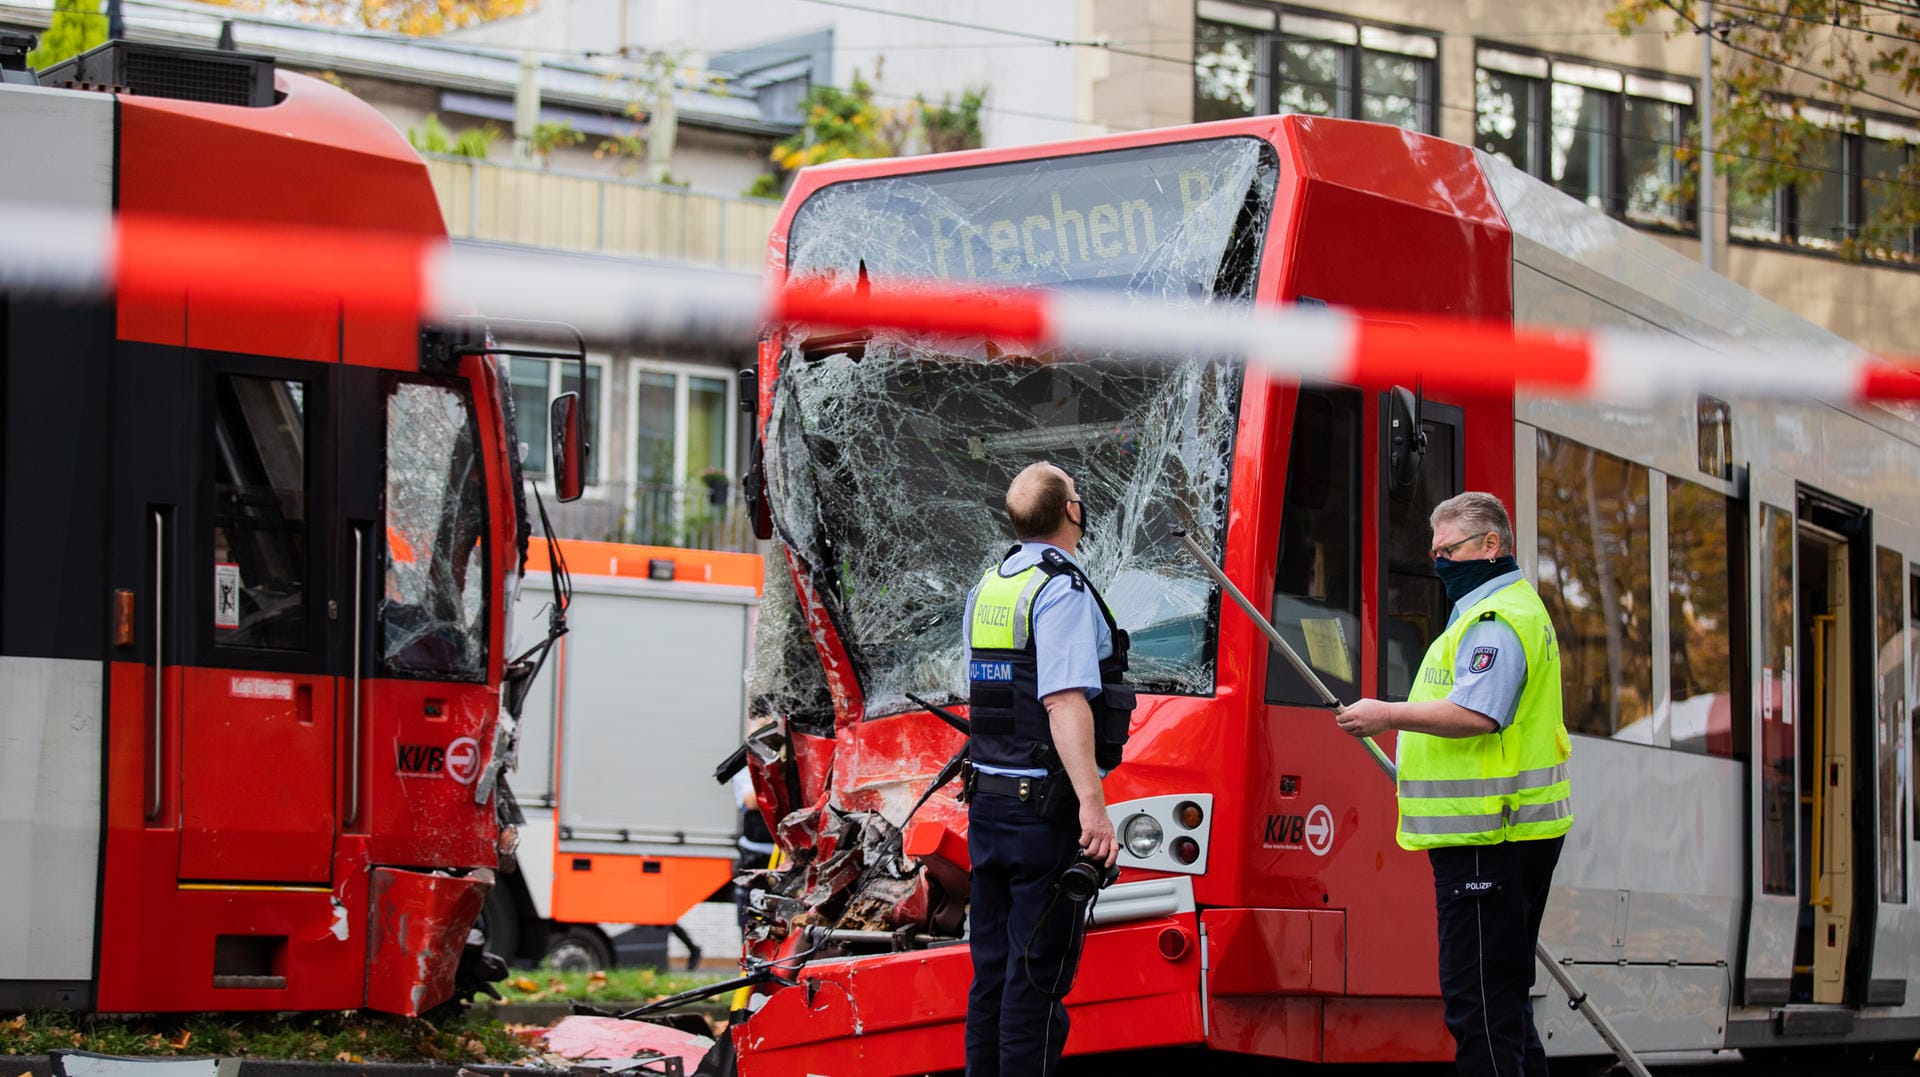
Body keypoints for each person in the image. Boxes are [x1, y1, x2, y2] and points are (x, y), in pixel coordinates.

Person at [1334, 492, 1573, 1077]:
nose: (1438, 561)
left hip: (1489, 836)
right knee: (1504, 1004)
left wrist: (1386, 714)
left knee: (1480, 1009)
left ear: (1491, 546)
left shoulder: (1496, 620)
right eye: (1435, 549)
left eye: (1450, 549)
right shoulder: (1498, 609)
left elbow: (1478, 714)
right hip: (1501, 834)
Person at [962, 461, 1129, 1077]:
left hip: (990, 804)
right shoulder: (1060, 588)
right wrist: (1093, 803)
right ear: (1072, 513)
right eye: (1078, 498)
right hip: (1042, 810)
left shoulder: (991, 585)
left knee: (992, 977)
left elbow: (988, 694)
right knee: (1035, 978)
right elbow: (1063, 701)